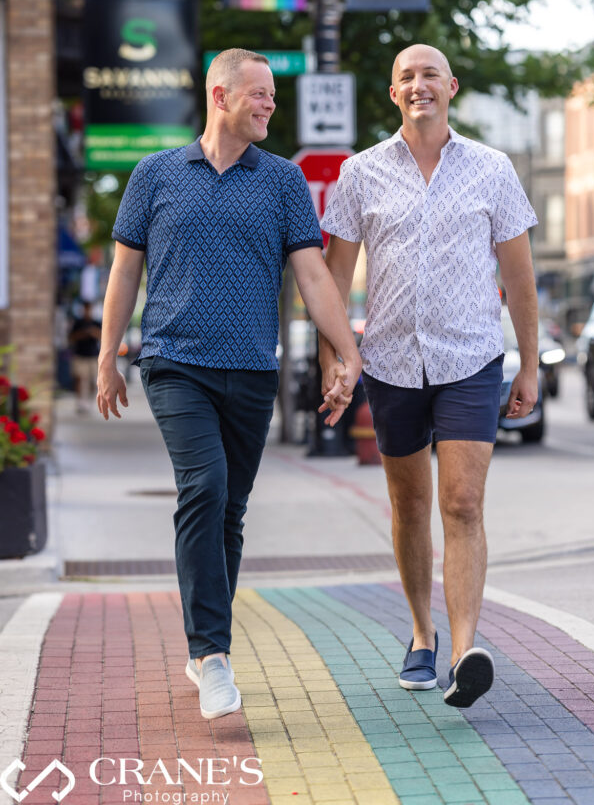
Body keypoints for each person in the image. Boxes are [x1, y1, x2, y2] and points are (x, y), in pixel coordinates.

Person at [97, 49, 361, 720]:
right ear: (221, 95)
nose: (271, 104)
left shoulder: (280, 182)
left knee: (230, 513)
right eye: (260, 94)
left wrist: (345, 350)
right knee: (205, 487)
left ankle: (203, 647)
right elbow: (125, 271)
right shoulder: (154, 175)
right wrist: (107, 356)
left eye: (273, 96)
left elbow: (311, 276)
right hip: (174, 361)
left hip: (251, 369)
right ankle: (212, 653)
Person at [319, 44, 538, 709]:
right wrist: (337, 354)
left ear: (451, 87)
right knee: (410, 505)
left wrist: (528, 361)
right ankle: (421, 635)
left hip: (470, 357)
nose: (419, 86)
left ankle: (467, 647)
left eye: (429, 76)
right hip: (389, 361)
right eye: (406, 77)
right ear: (394, 94)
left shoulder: (492, 170)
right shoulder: (360, 174)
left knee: (462, 503)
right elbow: (332, 276)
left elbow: (519, 276)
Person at [69, 301, 102, 413]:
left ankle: (89, 401)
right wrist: (83, 334)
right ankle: (80, 402)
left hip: (93, 355)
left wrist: (93, 332)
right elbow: (71, 338)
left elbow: (102, 336)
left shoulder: (96, 323)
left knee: (93, 380)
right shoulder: (78, 323)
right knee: (80, 378)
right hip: (80, 354)